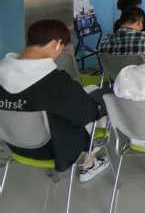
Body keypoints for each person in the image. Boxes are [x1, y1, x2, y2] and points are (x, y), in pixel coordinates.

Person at [0, 20, 110, 181]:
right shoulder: (56, 83)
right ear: (56, 43)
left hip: (15, 146)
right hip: (55, 150)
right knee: (101, 109)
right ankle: (89, 165)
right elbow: (88, 115)